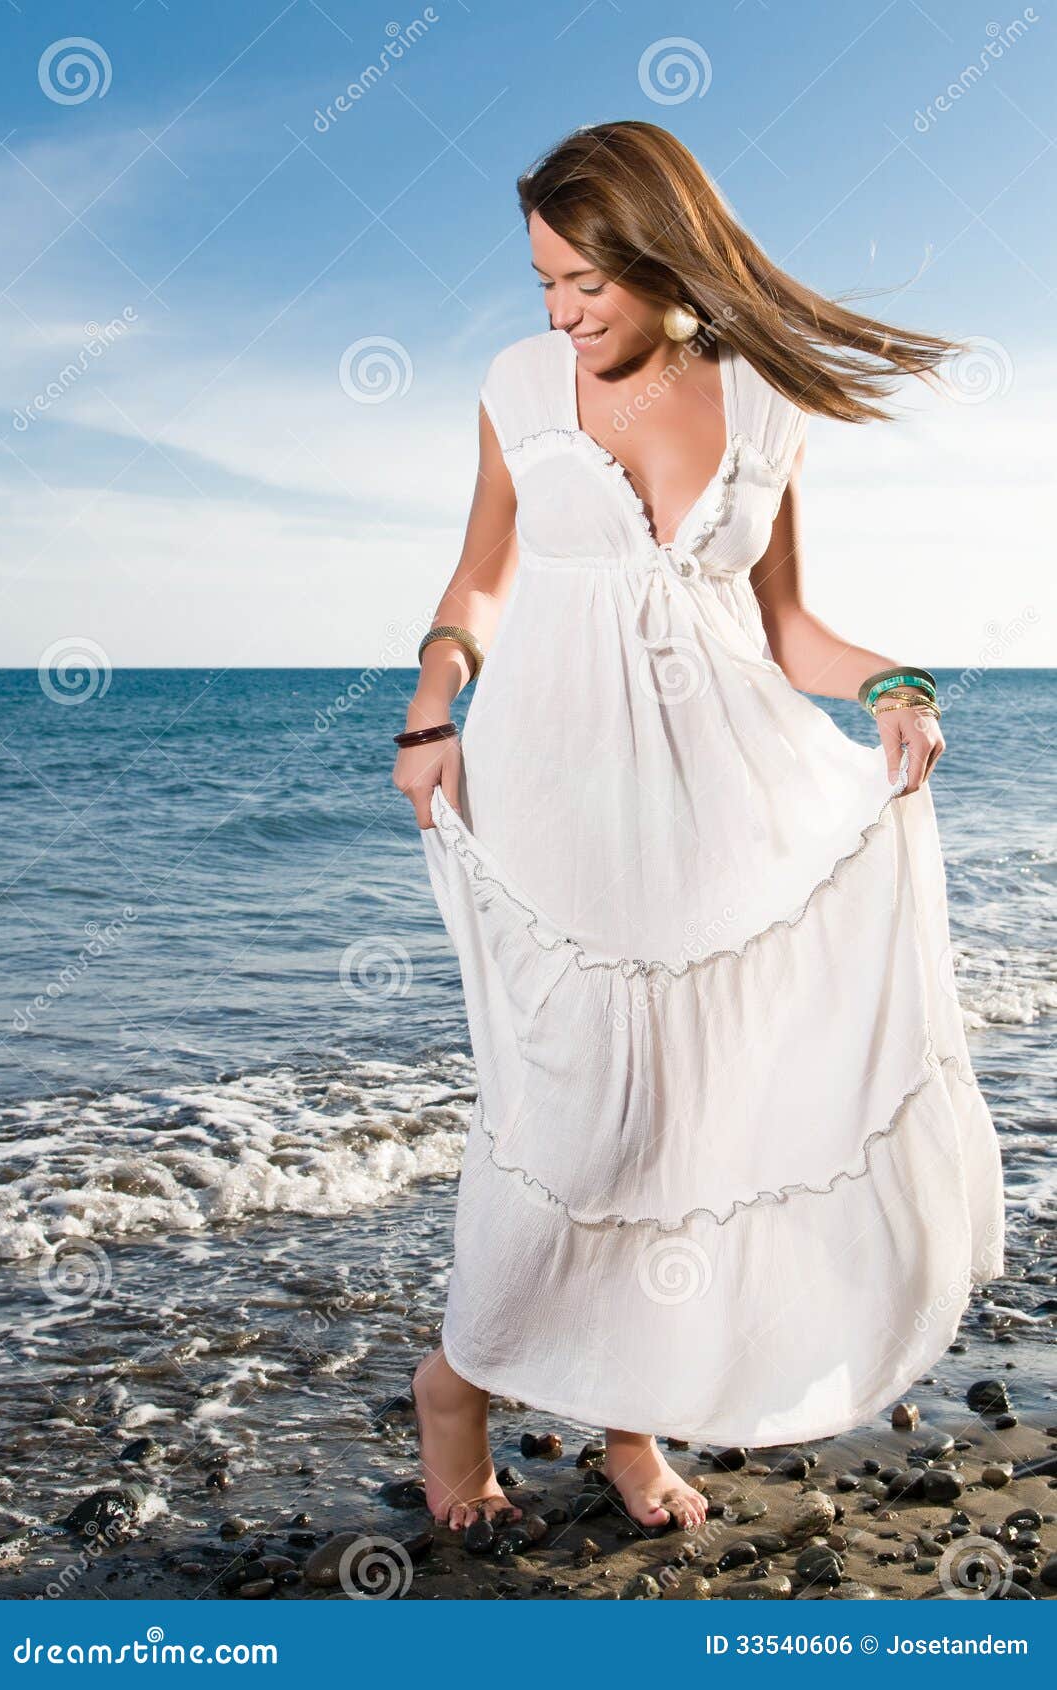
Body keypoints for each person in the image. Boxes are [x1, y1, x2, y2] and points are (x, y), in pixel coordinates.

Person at [391, 121, 1005, 1535]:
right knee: (570, 1106)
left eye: (583, 285)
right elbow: (479, 581)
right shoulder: (518, 387)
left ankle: (630, 1421)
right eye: (542, 284)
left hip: (724, 797)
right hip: (557, 796)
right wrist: (432, 702)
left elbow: (789, 632)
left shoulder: (768, 406)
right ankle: (461, 1378)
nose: (559, 313)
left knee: (690, 1115)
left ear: (660, 254)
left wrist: (897, 683)